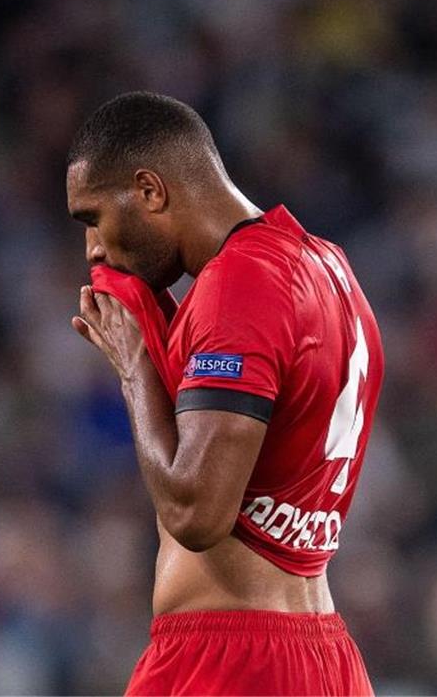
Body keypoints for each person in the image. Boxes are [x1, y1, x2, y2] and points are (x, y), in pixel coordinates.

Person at [65, 91, 384, 695]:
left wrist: (134, 367)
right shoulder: (330, 268)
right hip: (328, 661)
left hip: (229, 659)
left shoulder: (241, 281)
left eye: (93, 218)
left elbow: (196, 513)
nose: (94, 250)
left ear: (150, 190)